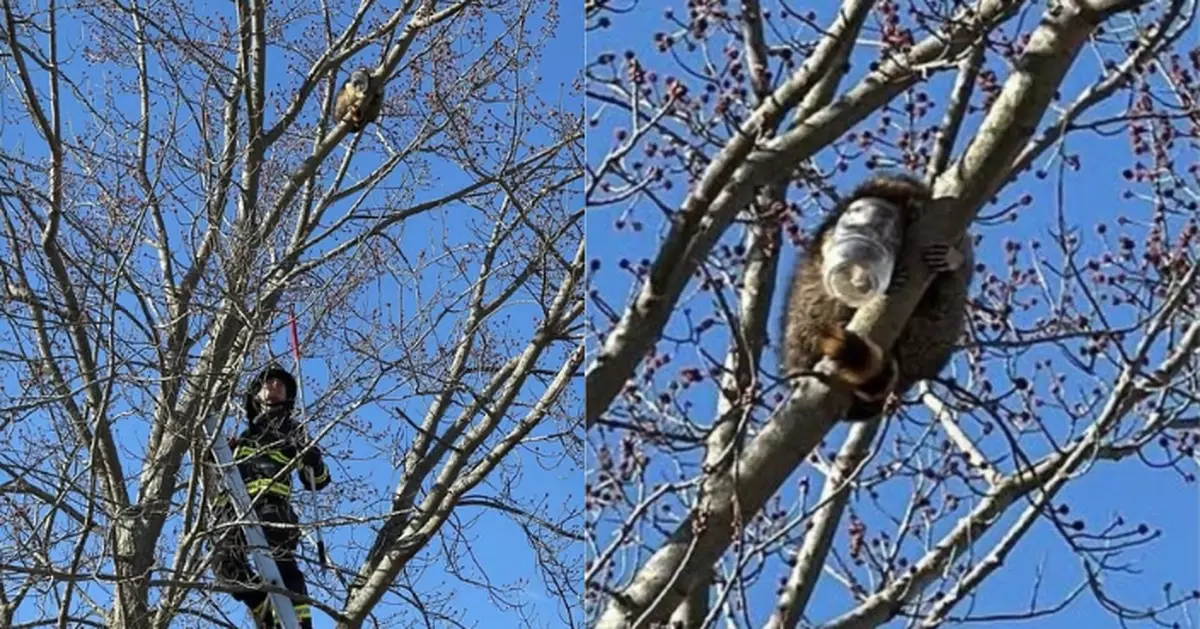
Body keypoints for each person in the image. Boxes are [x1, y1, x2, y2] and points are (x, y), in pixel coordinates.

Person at [211, 363, 331, 629]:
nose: (274, 387)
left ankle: (299, 622)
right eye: (269, 383)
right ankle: (264, 610)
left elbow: (316, 482)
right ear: (256, 394)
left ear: (287, 397)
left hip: (271, 508)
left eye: (280, 385)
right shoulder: (241, 438)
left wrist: (314, 461)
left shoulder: (291, 430)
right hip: (231, 512)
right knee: (224, 565)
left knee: (283, 566)